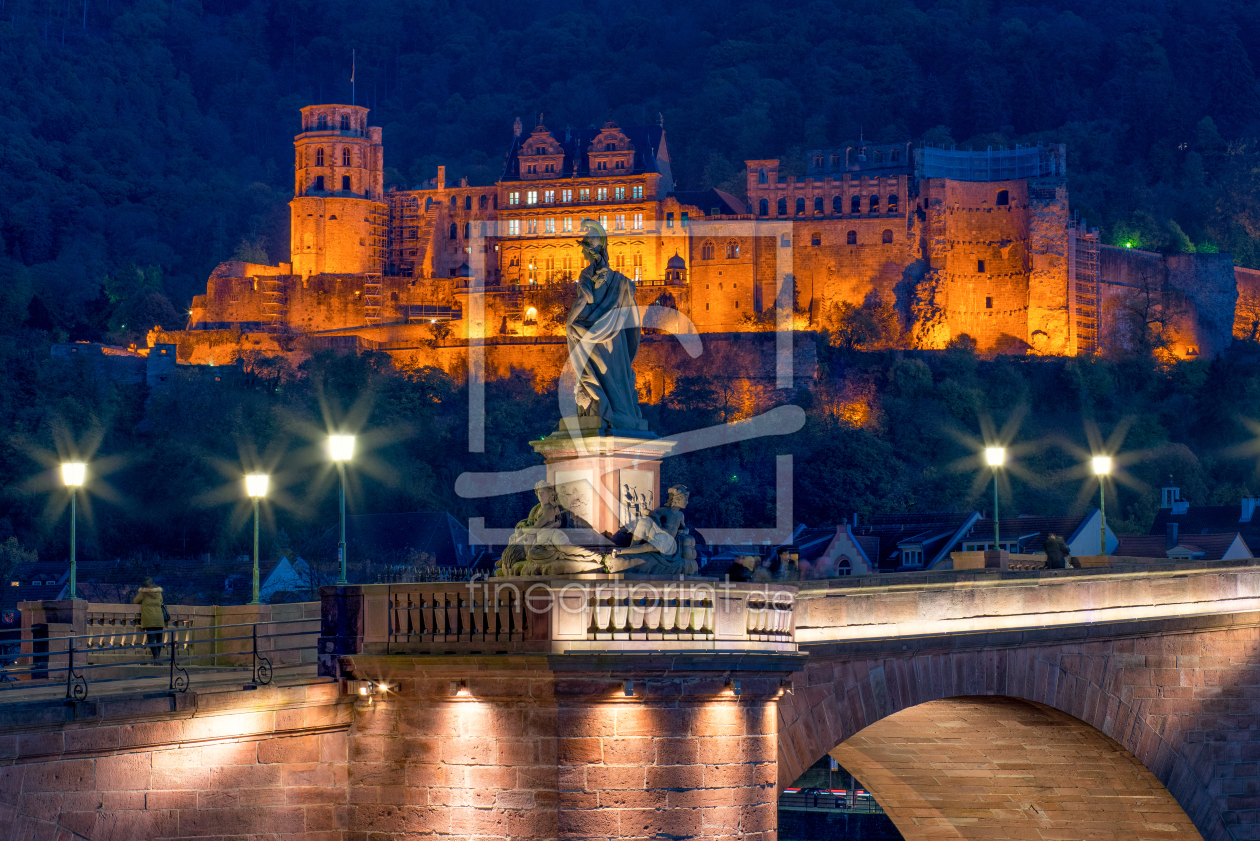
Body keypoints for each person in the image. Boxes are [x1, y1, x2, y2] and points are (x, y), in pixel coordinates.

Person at [564, 219, 644, 430]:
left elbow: (584, 300)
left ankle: (600, 409)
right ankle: (621, 412)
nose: (582, 255)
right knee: (616, 375)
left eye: (584, 250)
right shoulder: (618, 279)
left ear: (590, 252)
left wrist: (569, 322)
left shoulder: (587, 274)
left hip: (591, 333)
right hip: (614, 337)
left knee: (595, 373)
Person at [134, 577, 166, 659]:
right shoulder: (158, 592)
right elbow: (161, 601)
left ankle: (156, 657)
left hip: (149, 618)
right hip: (159, 618)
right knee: (159, 640)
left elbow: (135, 601)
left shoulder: (143, 593)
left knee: (151, 640)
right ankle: (158, 658)